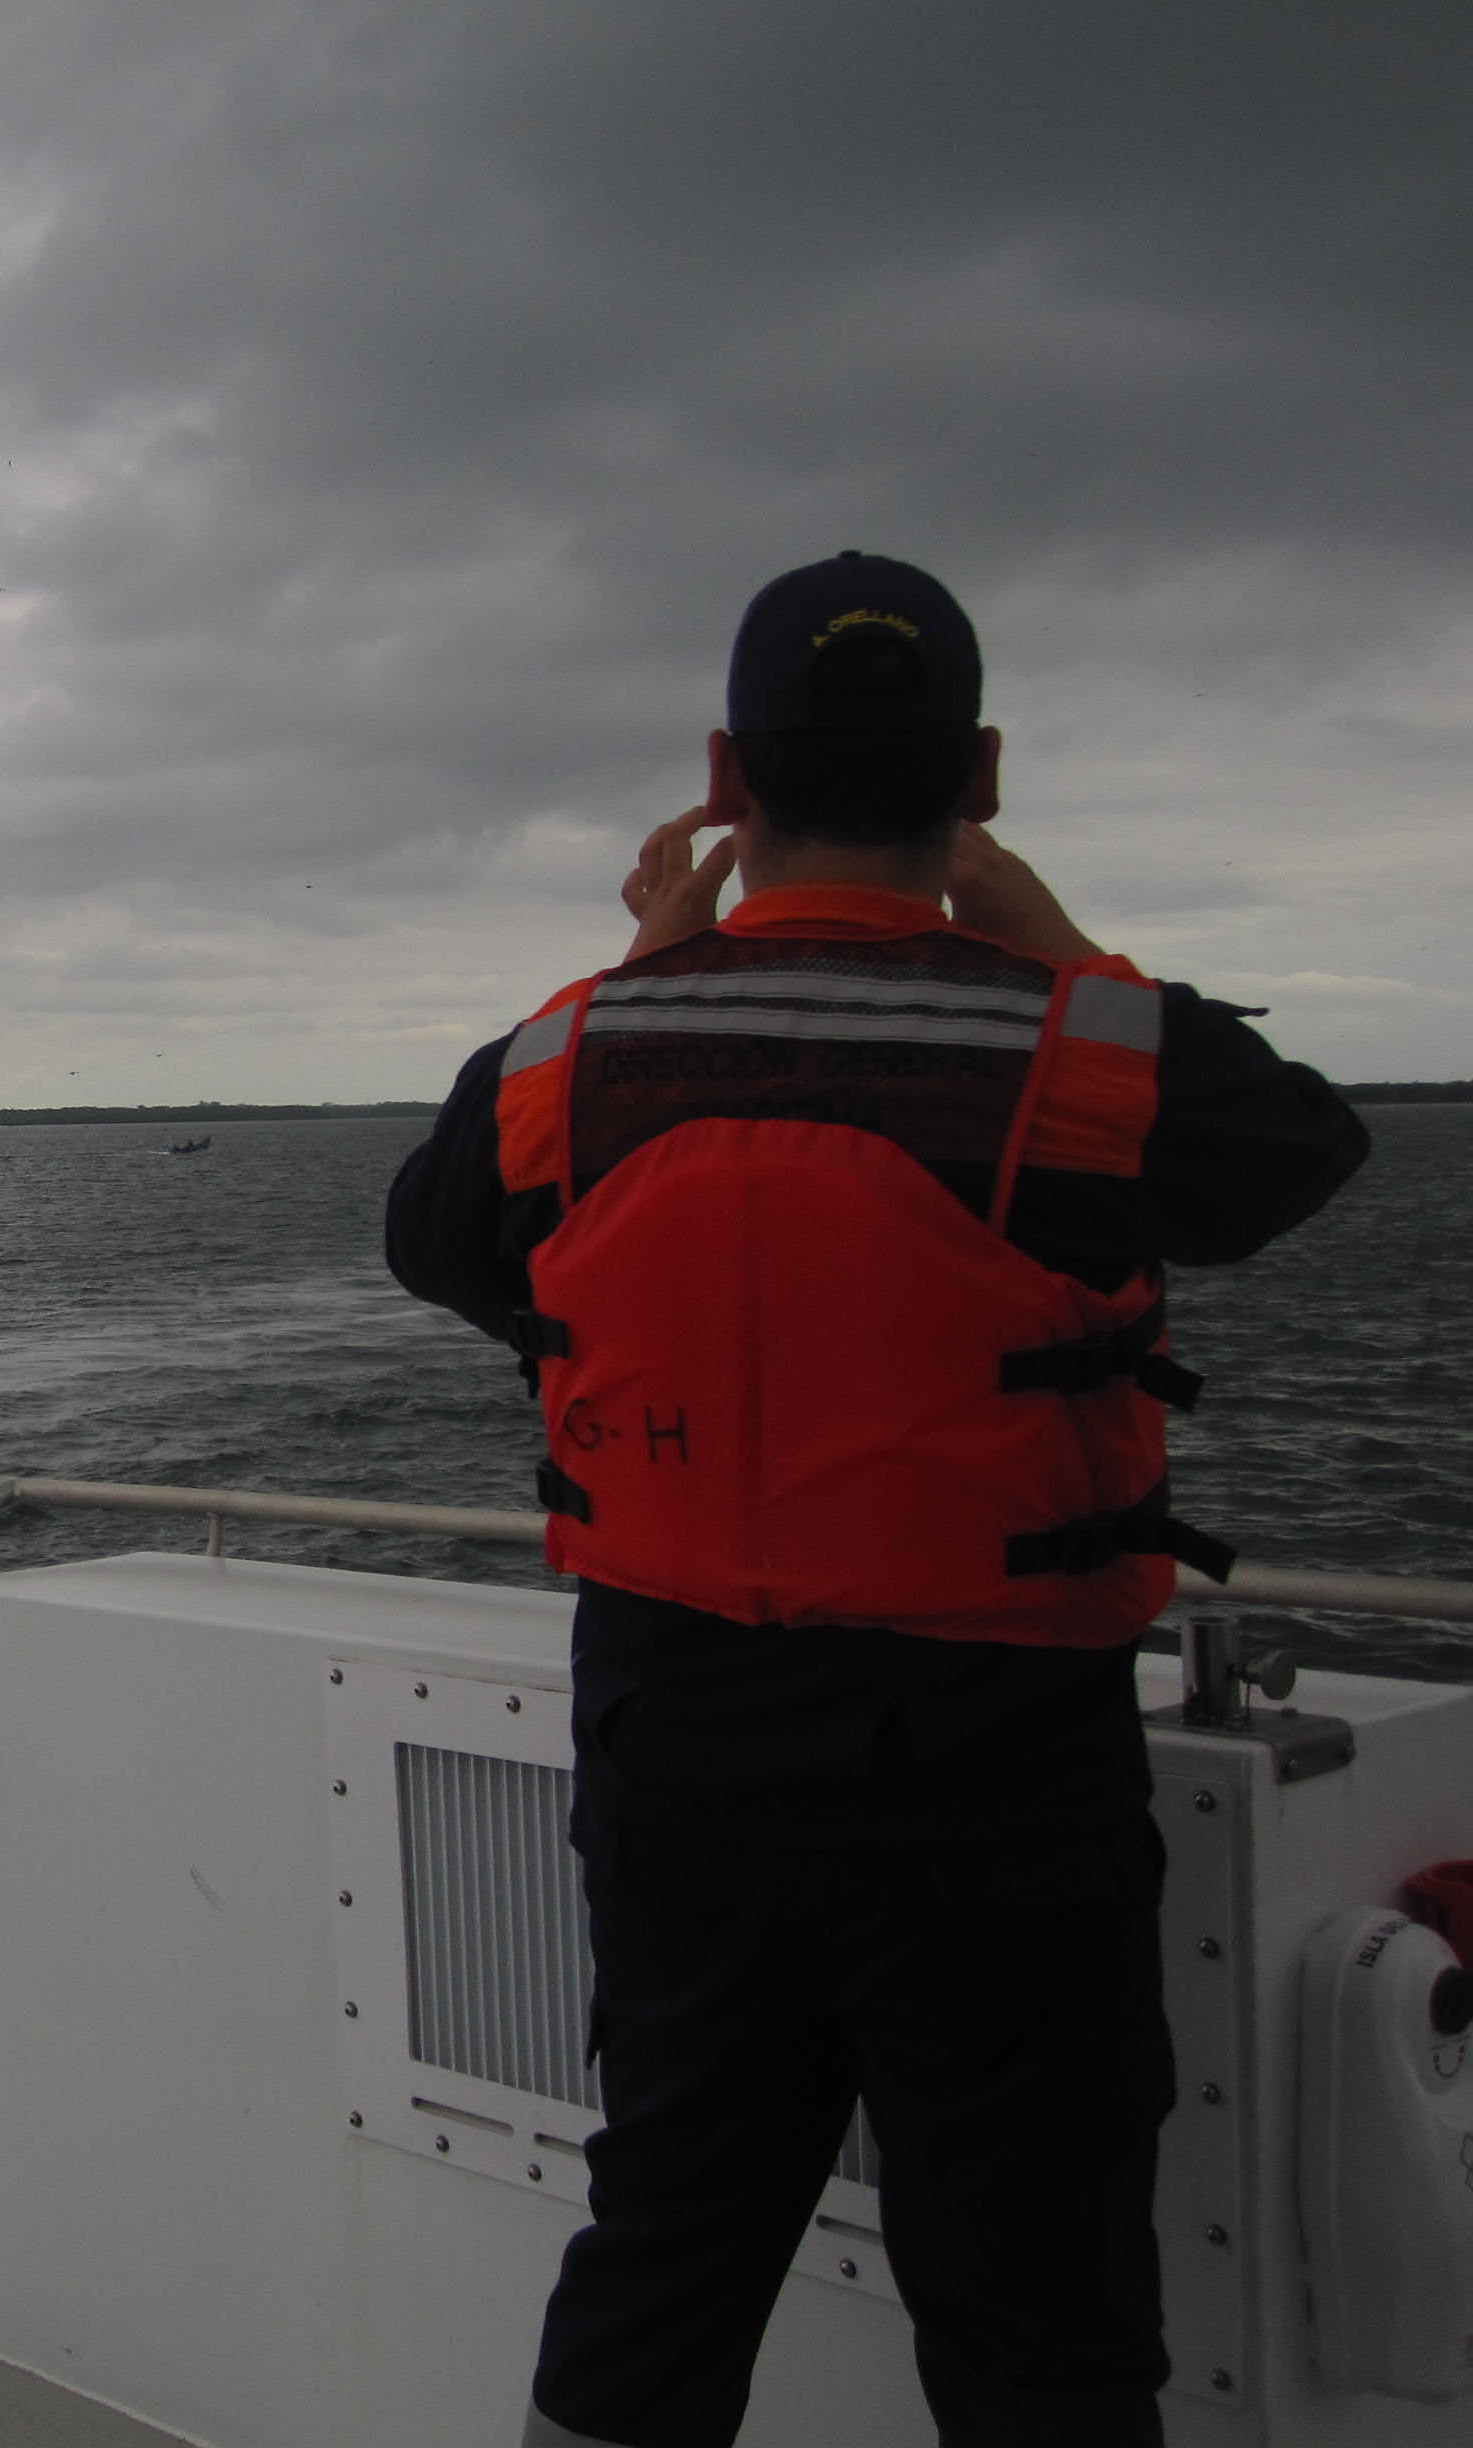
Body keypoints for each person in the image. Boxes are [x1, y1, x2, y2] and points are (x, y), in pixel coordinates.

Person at [381, 551, 1367, 2448]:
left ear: (722, 776)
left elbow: (442, 1240)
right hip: (994, 1772)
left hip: (675, 1744)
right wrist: (1055, 937)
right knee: (1036, 2309)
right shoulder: (1084, 1046)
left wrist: (659, 964)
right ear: (977, 777)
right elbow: (1291, 1153)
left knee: (662, 2238)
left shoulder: (567, 1054)